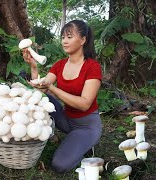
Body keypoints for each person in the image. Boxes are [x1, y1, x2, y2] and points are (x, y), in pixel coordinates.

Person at [22, 20, 102, 173]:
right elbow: (41, 88)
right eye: (63, 37)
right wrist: (33, 66)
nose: (64, 41)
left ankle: (84, 147)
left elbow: (85, 104)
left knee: (59, 165)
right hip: (65, 120)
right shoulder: (59, 65)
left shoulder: (92, 67)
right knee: (42, 99)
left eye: (69, 37)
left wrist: (53, 88)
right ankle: (35, 139)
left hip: (86, 126)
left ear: (83, 40)